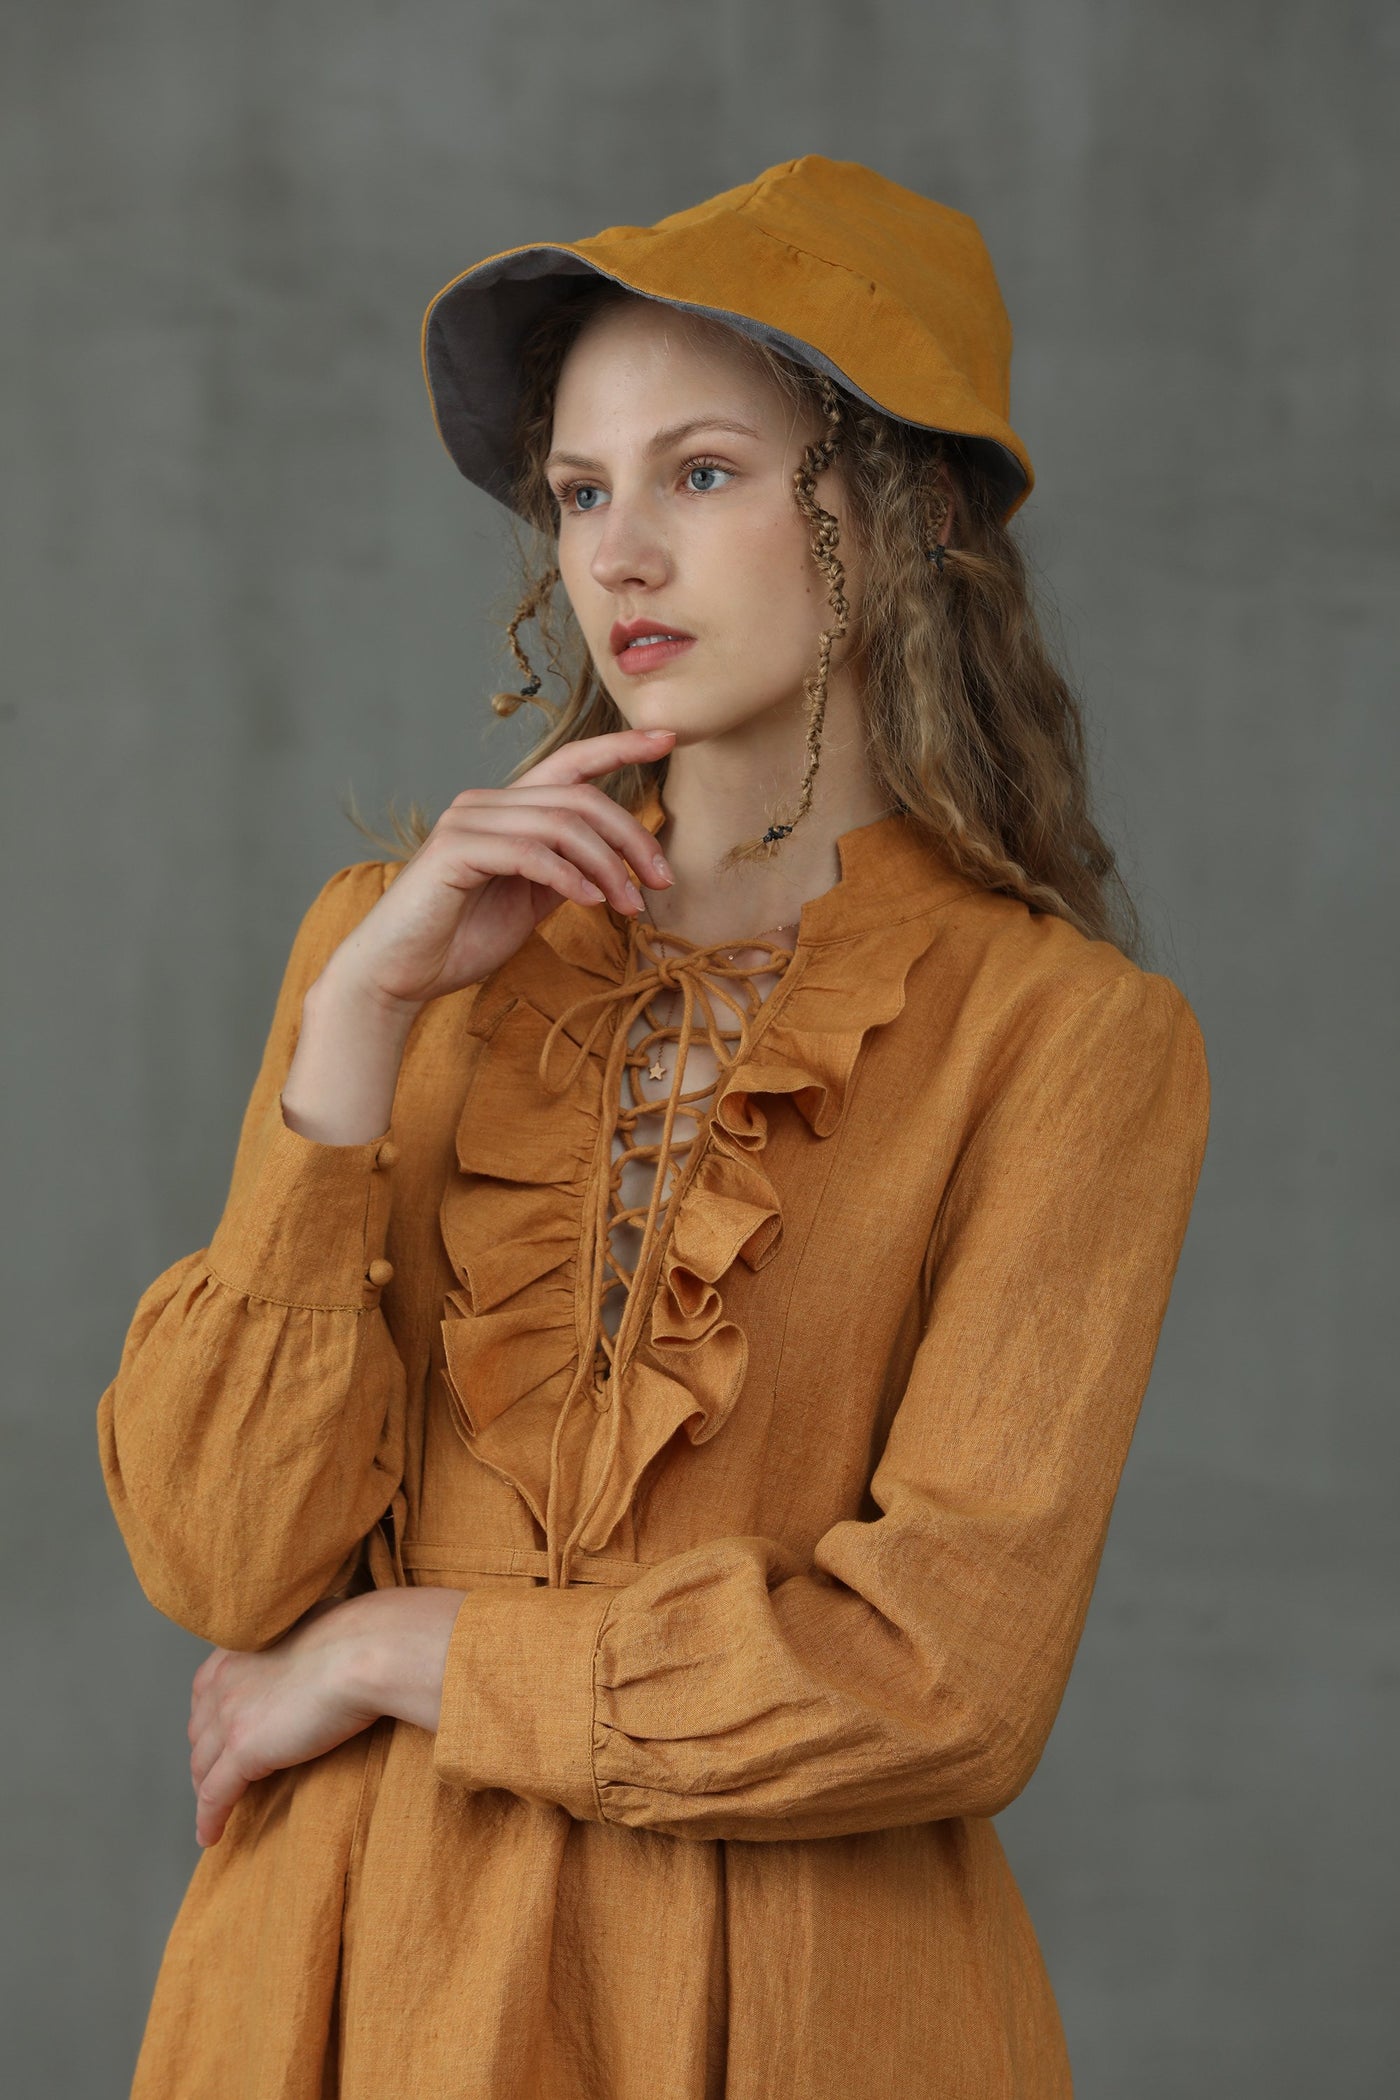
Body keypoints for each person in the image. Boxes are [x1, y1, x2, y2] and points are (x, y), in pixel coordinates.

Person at [98, 155, 1211, 2098]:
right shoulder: (391, 949)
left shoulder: (1063, 1039)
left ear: (905, 511)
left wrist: (388, 1656)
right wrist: (350, 1038)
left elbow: (944, 1674)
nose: (617, 557)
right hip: (339, 1984)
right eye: (583, 490)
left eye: (701, 474)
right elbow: (219, 1563)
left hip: (783, 2011)